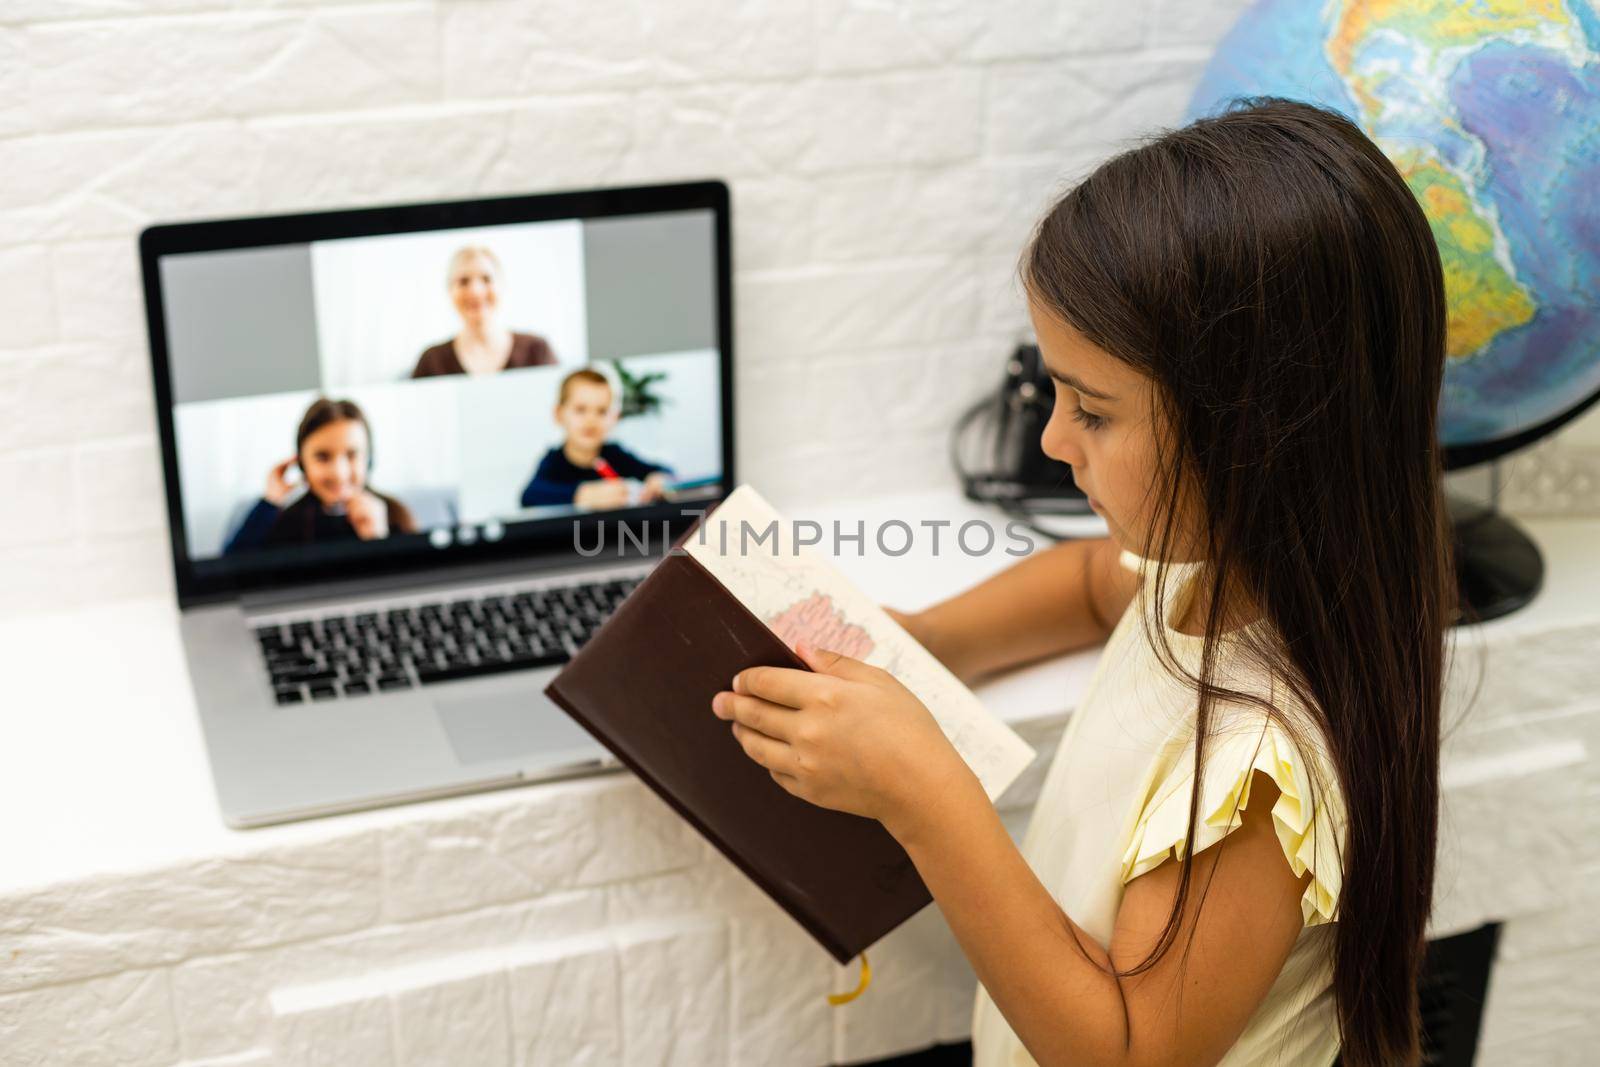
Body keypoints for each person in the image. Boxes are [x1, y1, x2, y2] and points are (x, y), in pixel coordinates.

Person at [709, 98, 1451, 1067]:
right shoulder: (1215, 575)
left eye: (1092, 411)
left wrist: (924, 791)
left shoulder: (1259, 770)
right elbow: (1098, 585)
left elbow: (1128, 1051)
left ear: (1258, 436)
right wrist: (935, 642)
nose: (1054, 441)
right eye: (1052, 390)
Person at [225, 398, 418, 552]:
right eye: (322, 457)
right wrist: (270, 502)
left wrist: (377, 539)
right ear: (302, 463)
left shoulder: (396, 515)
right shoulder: (285, 522)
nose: (339, 474)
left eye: (352, 455)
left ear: (368, 459)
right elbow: (231, 575)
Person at [520, 368, 675, 510]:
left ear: (615, 418)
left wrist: (659, 480)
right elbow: (529, 496)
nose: (591, 420)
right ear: (559, 414)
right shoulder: (554, 461)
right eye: (581, 410)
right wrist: (581, 495)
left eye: (602, 411)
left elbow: (663, 471)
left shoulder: (614, 454)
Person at [410, 245, 558, 377]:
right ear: (449, 291)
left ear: (502, 285)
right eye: (463, 281)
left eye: (486, 279)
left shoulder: (536, 351)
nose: (476, 291)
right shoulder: (431, 361)